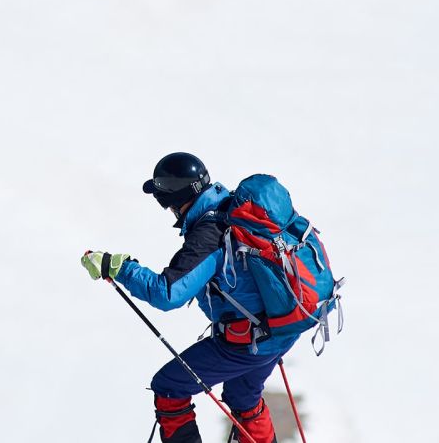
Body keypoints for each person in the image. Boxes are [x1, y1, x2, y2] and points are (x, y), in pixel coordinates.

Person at [81, 153, 297, 443]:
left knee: (170, 387)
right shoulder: (231, 210)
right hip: (282, 327)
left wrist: (119, 267)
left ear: (177, 198)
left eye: (165, 200)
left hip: (249, 340)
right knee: (243, 396)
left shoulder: (210, 233)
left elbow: (168, 293)